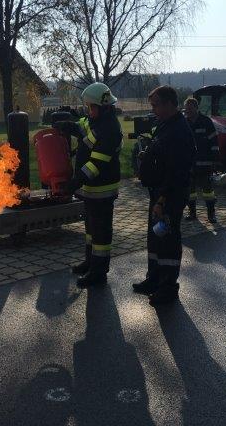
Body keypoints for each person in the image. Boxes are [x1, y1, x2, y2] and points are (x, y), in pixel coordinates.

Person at [54, 82, 122, 288]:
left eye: (90, 107)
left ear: (101, 107)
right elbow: (83, 127)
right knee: (91, 230)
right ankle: (90, 263)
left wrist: (74, 183)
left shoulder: (109, 129)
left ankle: (99, 273)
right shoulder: (97, 121)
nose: (88, 111)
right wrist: (69, 126)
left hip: (102, 190)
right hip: (91, 190)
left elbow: (95, 165)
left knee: (101, 233)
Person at [133, 86, 196, 305]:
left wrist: (162, 200)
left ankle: (168, 288)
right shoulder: (165, 125)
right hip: (158, 194)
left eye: (156, 105)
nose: (153, 109)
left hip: (169, 196)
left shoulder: (179, 130)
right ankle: (154, 279)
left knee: (168, 241)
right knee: (155, 237)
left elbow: (176, 171)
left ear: (169, 104)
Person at [183, 97, 219, 223]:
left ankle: (211, 214)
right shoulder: (184, 122)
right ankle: (192, 213)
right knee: (190, 191)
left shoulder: (205, 121)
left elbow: (214, 142)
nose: (188, 111)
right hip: (189, 164)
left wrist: (215, 160)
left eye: (190, 109)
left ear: (196, 108)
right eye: (186, 109)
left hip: (205, 163)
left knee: (208, 191)